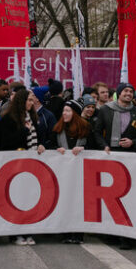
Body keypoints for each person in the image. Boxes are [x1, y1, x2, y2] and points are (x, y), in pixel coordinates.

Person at [0, 88, 43, 245]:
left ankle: (28, 231)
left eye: (33, 100)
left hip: (31, 165)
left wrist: (41, 145)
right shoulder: (9, 119)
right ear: (21, 101)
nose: (32, 103)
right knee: (16, 199)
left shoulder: (33, 117)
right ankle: (15, 233)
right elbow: (5, 142)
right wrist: (24, 131)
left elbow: (39, 137)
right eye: (29, 100)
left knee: (30, 199)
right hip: (15, 165)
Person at [52, 99, 99, 245]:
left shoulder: (86, 128)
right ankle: (65, 232)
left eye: (68, 111)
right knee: (65, 200)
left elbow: (94, 146)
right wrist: (56, 149)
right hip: (63, 173)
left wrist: (84, 149)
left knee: (79, 201)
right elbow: (50, 143)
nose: (64, 113)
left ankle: (78, 233)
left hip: (81, 173)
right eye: (64, 111)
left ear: (75, 113)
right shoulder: (58, 128)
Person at [92, 83, 136, 153]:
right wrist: (104, 146)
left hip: (131, 154)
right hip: (109, 153)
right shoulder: (105, 109)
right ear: (119, 93)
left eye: (131, 91)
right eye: (126, 91)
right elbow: (97, 132)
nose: (128, 93)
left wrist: (133, 142)